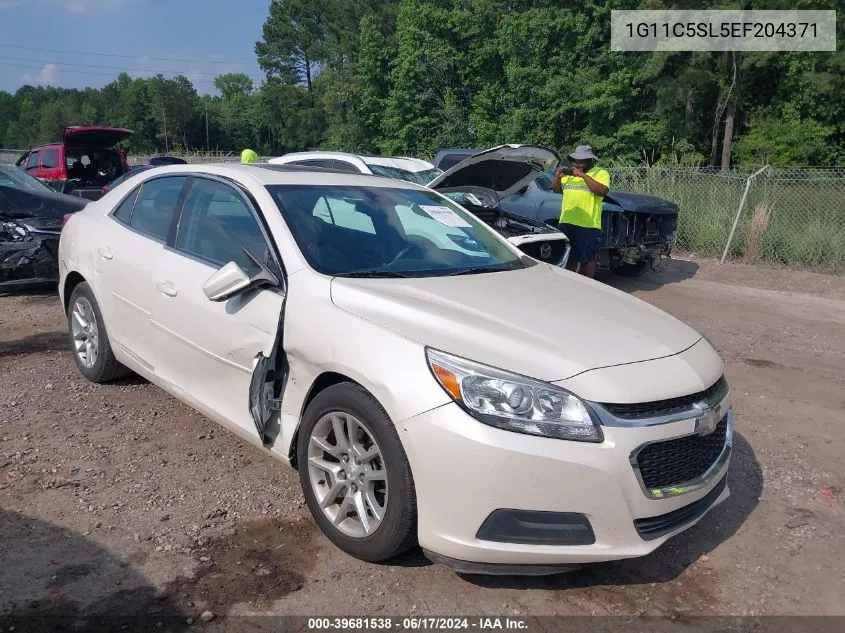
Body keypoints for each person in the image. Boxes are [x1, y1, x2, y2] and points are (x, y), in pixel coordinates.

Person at [551, 145, 610, 278]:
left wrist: (583, 175)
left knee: (587, 260)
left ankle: (587, 285)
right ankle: (569, 284)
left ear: (590, 160)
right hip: (566, 222)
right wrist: (557, 177)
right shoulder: (569, 174)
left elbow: (602, 191)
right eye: (576, 160)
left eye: (582, 161)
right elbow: (555, 189)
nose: (578, 163)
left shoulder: (600, 173)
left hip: (588, 225)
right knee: (570, 257)